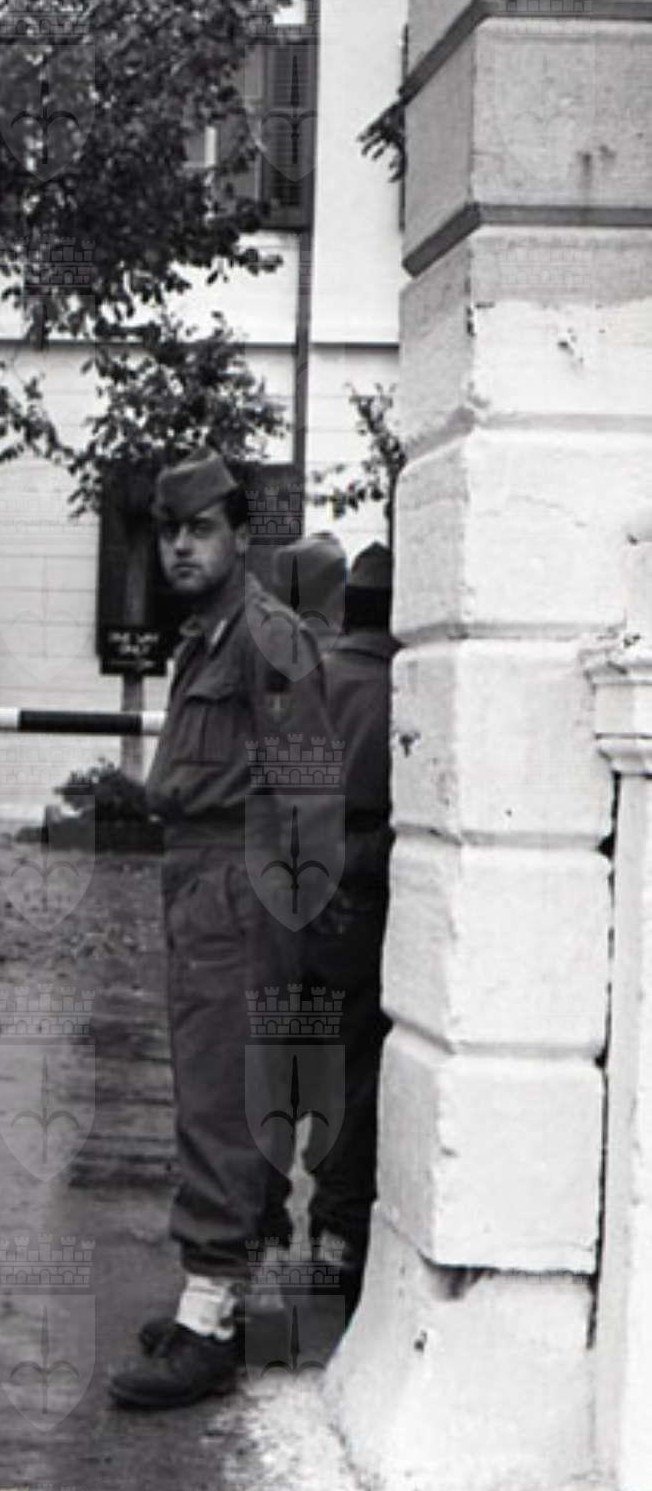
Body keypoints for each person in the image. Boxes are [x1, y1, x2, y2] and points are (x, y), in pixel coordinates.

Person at [107, 452, 340, 1410]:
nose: (180, 547)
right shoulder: (208, 635)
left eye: (200, 529)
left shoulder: (265, 636)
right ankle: (225, 1300)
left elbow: (307, 790)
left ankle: (207, 1325)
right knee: (218, 1090)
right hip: (204, 877)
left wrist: (285, 924)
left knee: (220, 1099)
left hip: (242, 885)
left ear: (241, 536)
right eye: (169, 531)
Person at [298, 541, 396, 1315]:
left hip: (292, 887)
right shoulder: (409, 688)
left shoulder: (311, 679)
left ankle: (246, 1250)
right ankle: (334, 1244)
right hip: (363, 892)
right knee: (353, 1072)